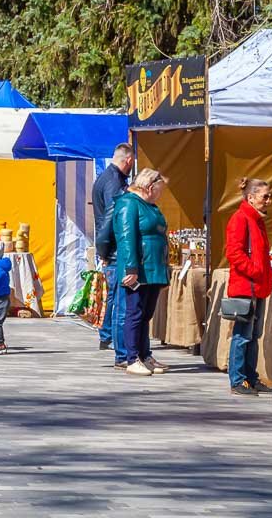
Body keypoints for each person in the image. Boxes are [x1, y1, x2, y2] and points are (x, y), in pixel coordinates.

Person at [113, 168, 172, 376]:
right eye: (159, 189)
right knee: (135, 312)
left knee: (146, 314)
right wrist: (131, 268)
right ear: (149, 187)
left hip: (153, 267)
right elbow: (126, 238)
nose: (160, 194)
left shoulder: (150, 206)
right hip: (139, 268)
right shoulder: (129, 204)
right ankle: (131, 358)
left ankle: (144, 354)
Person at [225, 177, 272, 396]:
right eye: (265, 196)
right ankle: (237, 379)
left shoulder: (257, 220)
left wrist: (266, 274)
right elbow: (234, 253)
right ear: (251, 197)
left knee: (253, 335)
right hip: (247, 286)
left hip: (258, 286)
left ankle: (250, 377)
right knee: (242, 335)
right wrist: (256, 272)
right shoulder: (240, 219)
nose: (269, 200)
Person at [93, 142, 134, 365]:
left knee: (115, 298)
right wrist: (105, 249)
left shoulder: (106, 177)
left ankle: (107, 335)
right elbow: (113, 217)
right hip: (114, 250)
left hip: (110, 248)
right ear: (128, 160)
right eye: (133, 162)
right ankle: (118, 348)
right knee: (119, 301)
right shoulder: (113, 181)